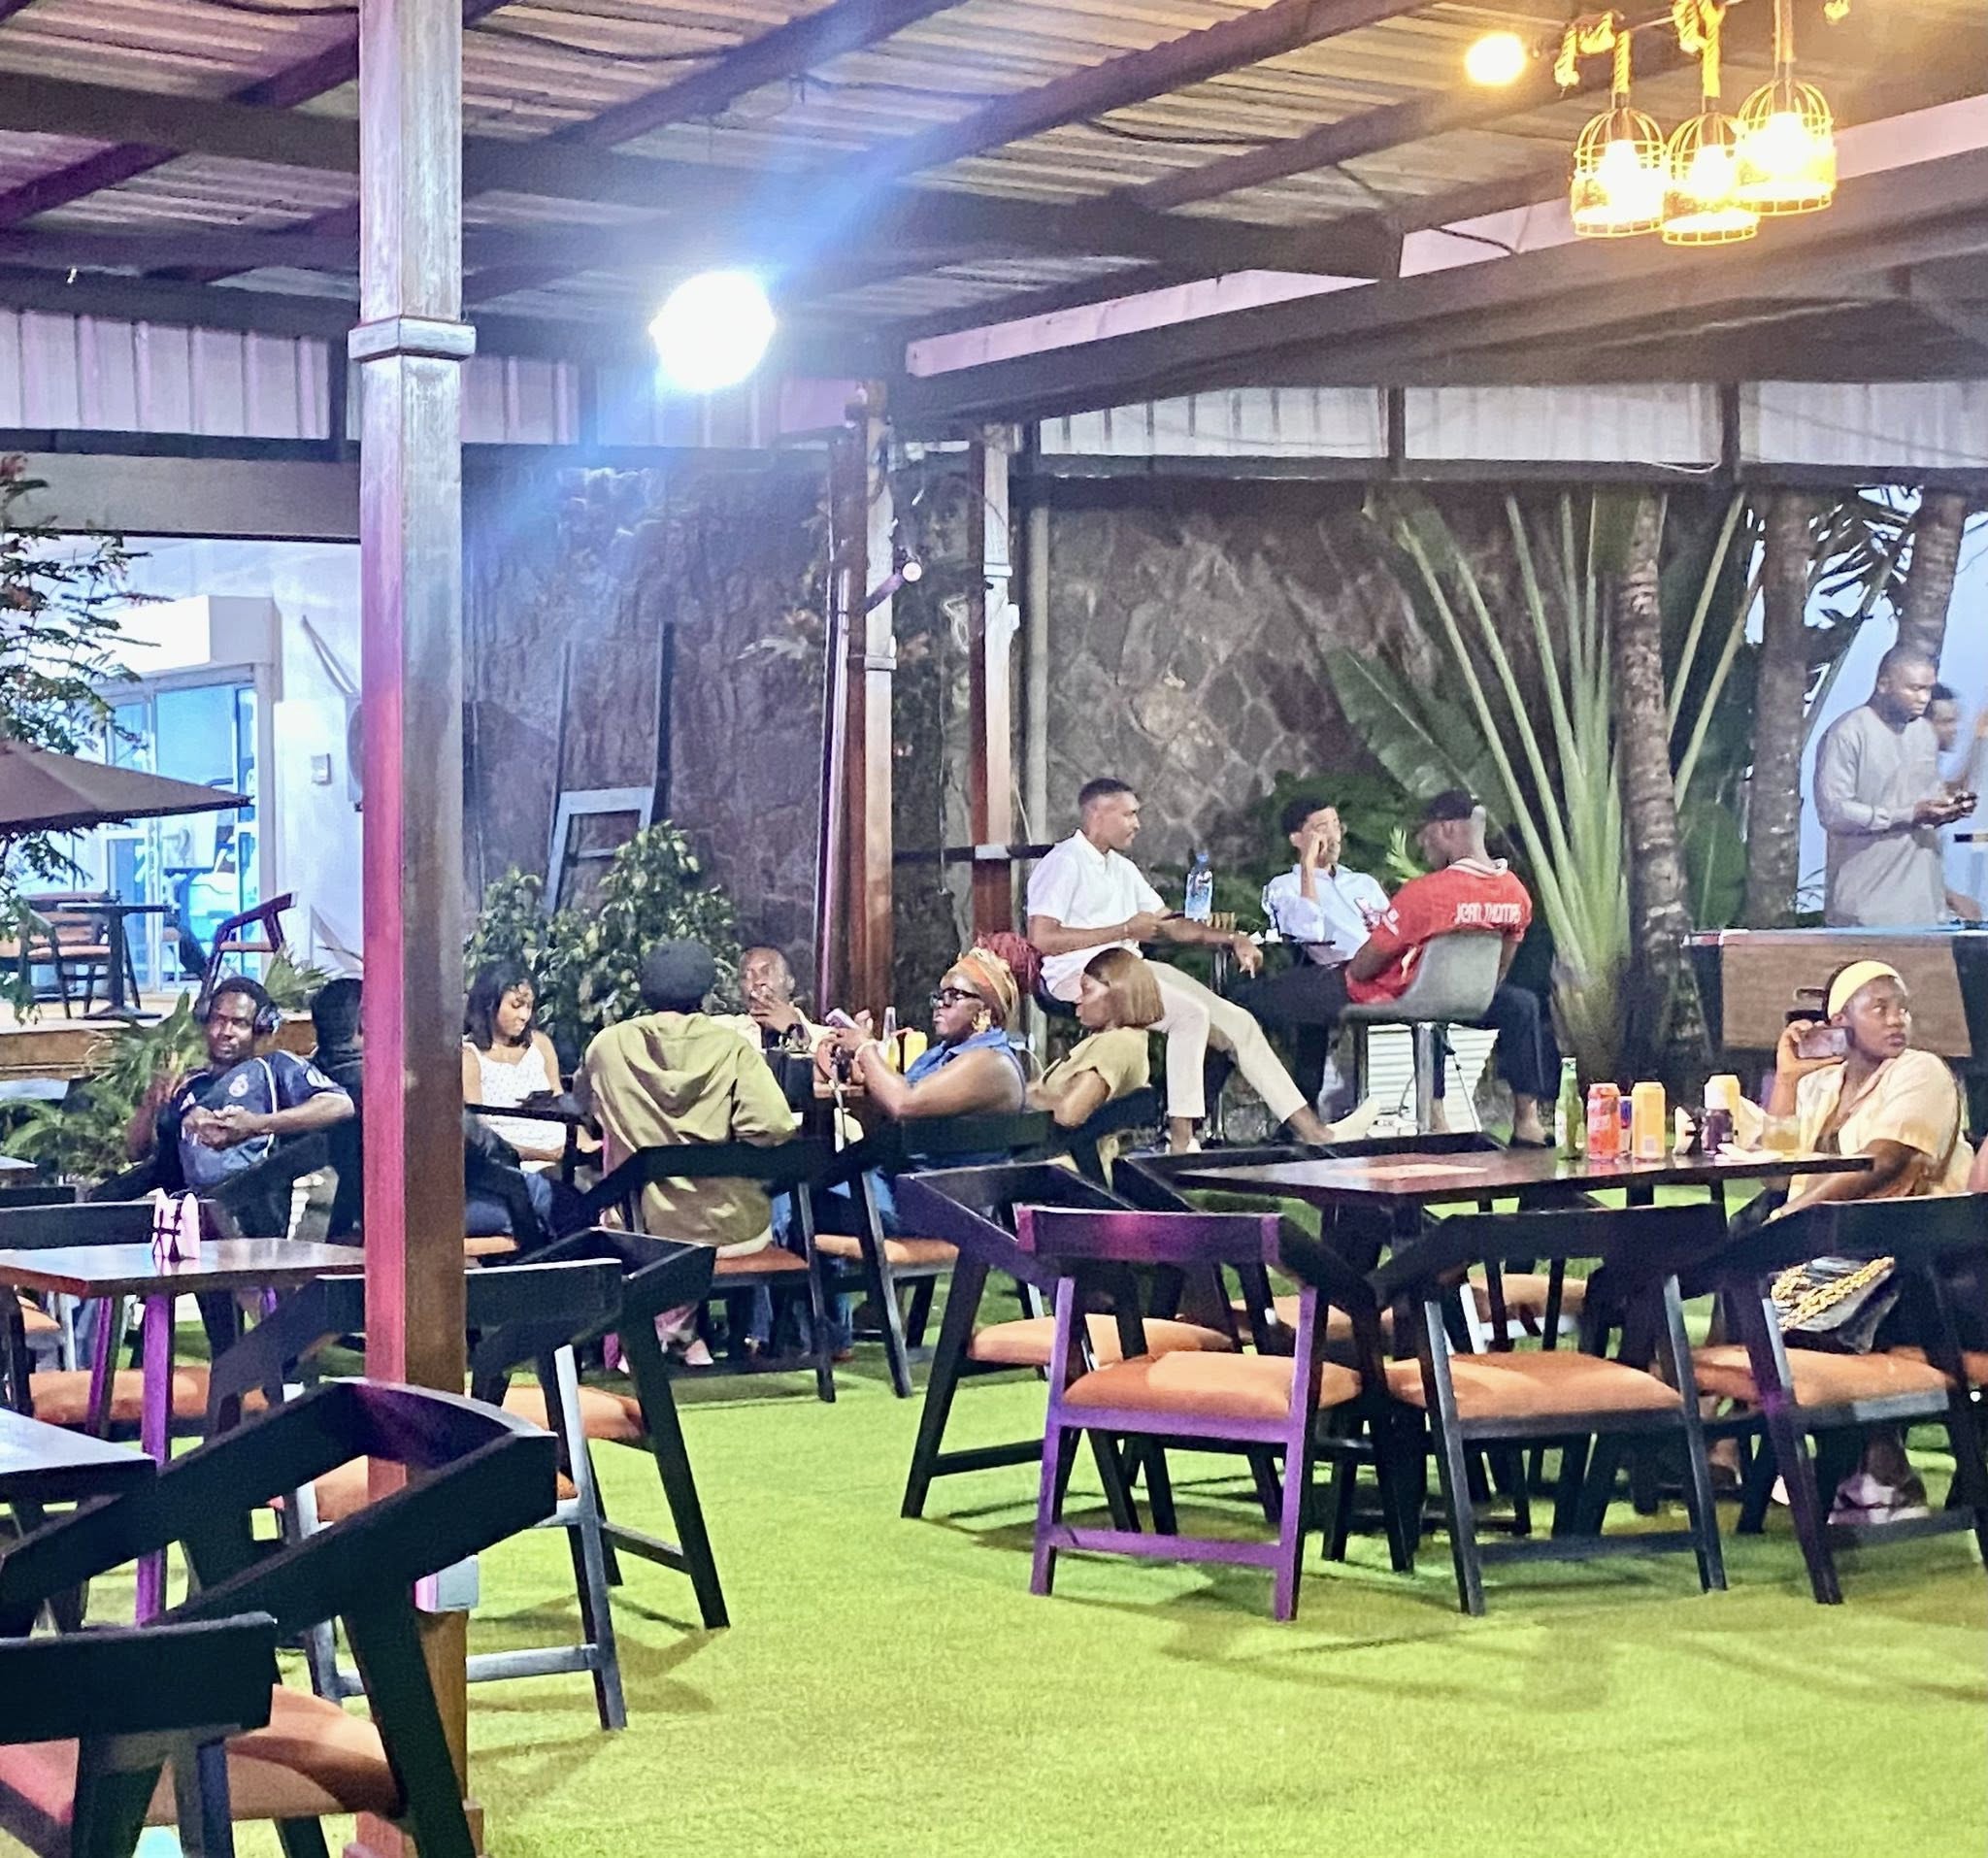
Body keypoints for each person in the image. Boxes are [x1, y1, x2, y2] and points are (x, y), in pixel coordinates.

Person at [1761, 959, 1972, 1519]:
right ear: (1840, 1021)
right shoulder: (1821, 1085)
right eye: (1880, 1008)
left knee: (1760, 1271)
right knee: (1742, 1260)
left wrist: (1796, 1218)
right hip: (1832, 1244)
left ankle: (1877, 1469)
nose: (1898, 1019)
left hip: (1909, 1250)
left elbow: (1886, 1161)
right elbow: (1775, 1175)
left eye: (1902, 1009)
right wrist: (1787, 1079)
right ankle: (1733, 1446)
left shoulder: (1920, 1072)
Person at [1026, 778, 1335, 1153]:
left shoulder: (1121, 868)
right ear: (1097, 814)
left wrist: (1232, 939)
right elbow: (1042, 938)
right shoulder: (1064, 862)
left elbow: (1168, 924)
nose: (1137, 824)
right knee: (1190, 1016)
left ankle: (1312, 1131)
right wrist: (1123, 930)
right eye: (1128, 815)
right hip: (1081, 977)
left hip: (1128, 969)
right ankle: (1181, 1140)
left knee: (1239, 1023)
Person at [575, 940, 796, 1361]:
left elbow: (585, 1104)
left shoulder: (607, 1046)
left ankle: (660, 1335)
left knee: (595, 1194)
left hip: (643, 1229)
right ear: (705, 992)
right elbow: (774, 1126)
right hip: (728, 1230)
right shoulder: (732, 1048)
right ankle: (687, 1335)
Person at [1345, 791, 1552, 1145]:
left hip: (1419, 1000)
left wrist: (1357, 969)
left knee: (1428, 1002)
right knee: (1522, 1005)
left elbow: (1367, 963)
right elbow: (1502, 965)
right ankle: (1527, 1120)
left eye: (1425, 834)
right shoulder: (1515, 892)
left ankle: (1436, 1115)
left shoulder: (1425, 892)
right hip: (1476, 997)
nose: (1421, 844)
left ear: (1446, 829)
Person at [313, 977, 553, 1247]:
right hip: (419, 1214)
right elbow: (472, 1146)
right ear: (367, 1021)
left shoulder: (315, 1079)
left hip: (363, 1213)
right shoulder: (396, 1087)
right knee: (550, 1198)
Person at [1230, 793, 1389, 1111]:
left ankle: (1304, 1114)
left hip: (1381, 975)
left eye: (1335, 825)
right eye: (1320, 828)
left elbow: (1391, 931)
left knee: (1262, 999)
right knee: (1247, 1002)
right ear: (1296, 839)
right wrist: (1307, 867)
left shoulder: (1364, 883)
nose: (1332, 836)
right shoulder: (1284, 886)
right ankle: (1301, 1110)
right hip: (1336, 973)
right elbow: (1308, 931)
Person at [125, 974, 353, 1195]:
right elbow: (137, 1152)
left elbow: (340, 1105)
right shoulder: (189, 1086)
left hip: (254, 1208)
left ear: (260, 1028)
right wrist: (150, 1105)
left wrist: (257, 1124)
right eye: (218, 1020)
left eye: (239, 1023)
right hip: (193, 1210)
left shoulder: (275, 1068)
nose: (226, 1032)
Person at [1814, 645, 1972, 926]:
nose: (1924, 698)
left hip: (1926, 909)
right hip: (1867, 912)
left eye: (1928, 689)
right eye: (1914, 688)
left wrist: (1949, 808)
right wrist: (1907, 815)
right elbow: (1834, 812)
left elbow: (1925, 801)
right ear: (1883, 684)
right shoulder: (1848, 733)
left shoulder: (1924, 733)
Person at [1028, 948, 1162, 1163]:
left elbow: (1070, 1113)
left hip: (1059, 1168)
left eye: (1086, 990)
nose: (1078, 1000)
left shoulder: (1116, 1045)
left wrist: (1028, 1097)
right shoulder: (1111, 1040)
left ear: (1118, 994)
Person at [462, 963, 568, 1172]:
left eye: (529, 1007)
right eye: (516, 1005)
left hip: (562, 1157)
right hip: (510, 1165)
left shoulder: (540, 1044)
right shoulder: (469, 1056)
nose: (524, 1016)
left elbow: (559, 1100)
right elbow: (478, 1129)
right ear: (490, 1004)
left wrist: (580, 1144)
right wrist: (539, 1153)